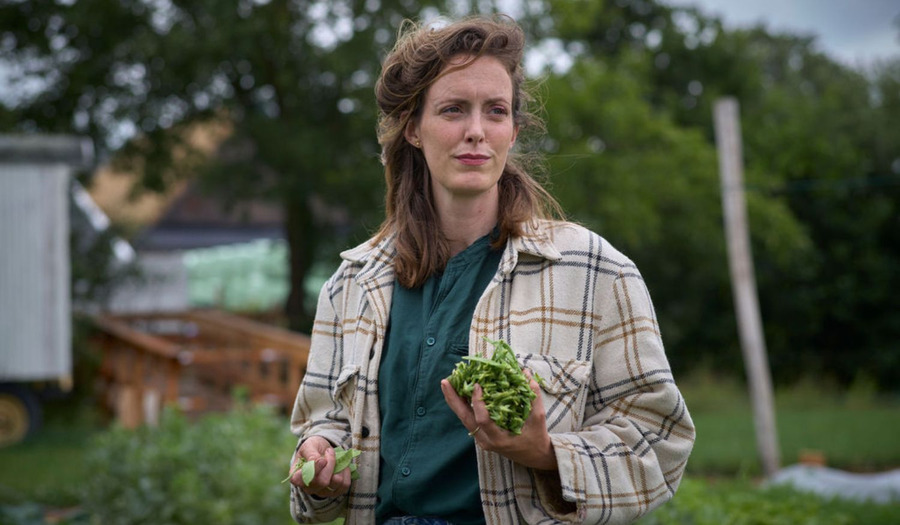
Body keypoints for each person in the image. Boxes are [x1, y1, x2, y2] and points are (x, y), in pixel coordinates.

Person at [287, 14, 695, 525]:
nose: (476, 131)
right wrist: (321, 456)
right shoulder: (350, 285)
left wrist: (546, 454)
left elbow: (661, 444)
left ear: (514, 130)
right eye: (453, 109)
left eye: (495, 111)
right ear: (413, 128)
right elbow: (324, 424)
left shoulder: (594, 273)